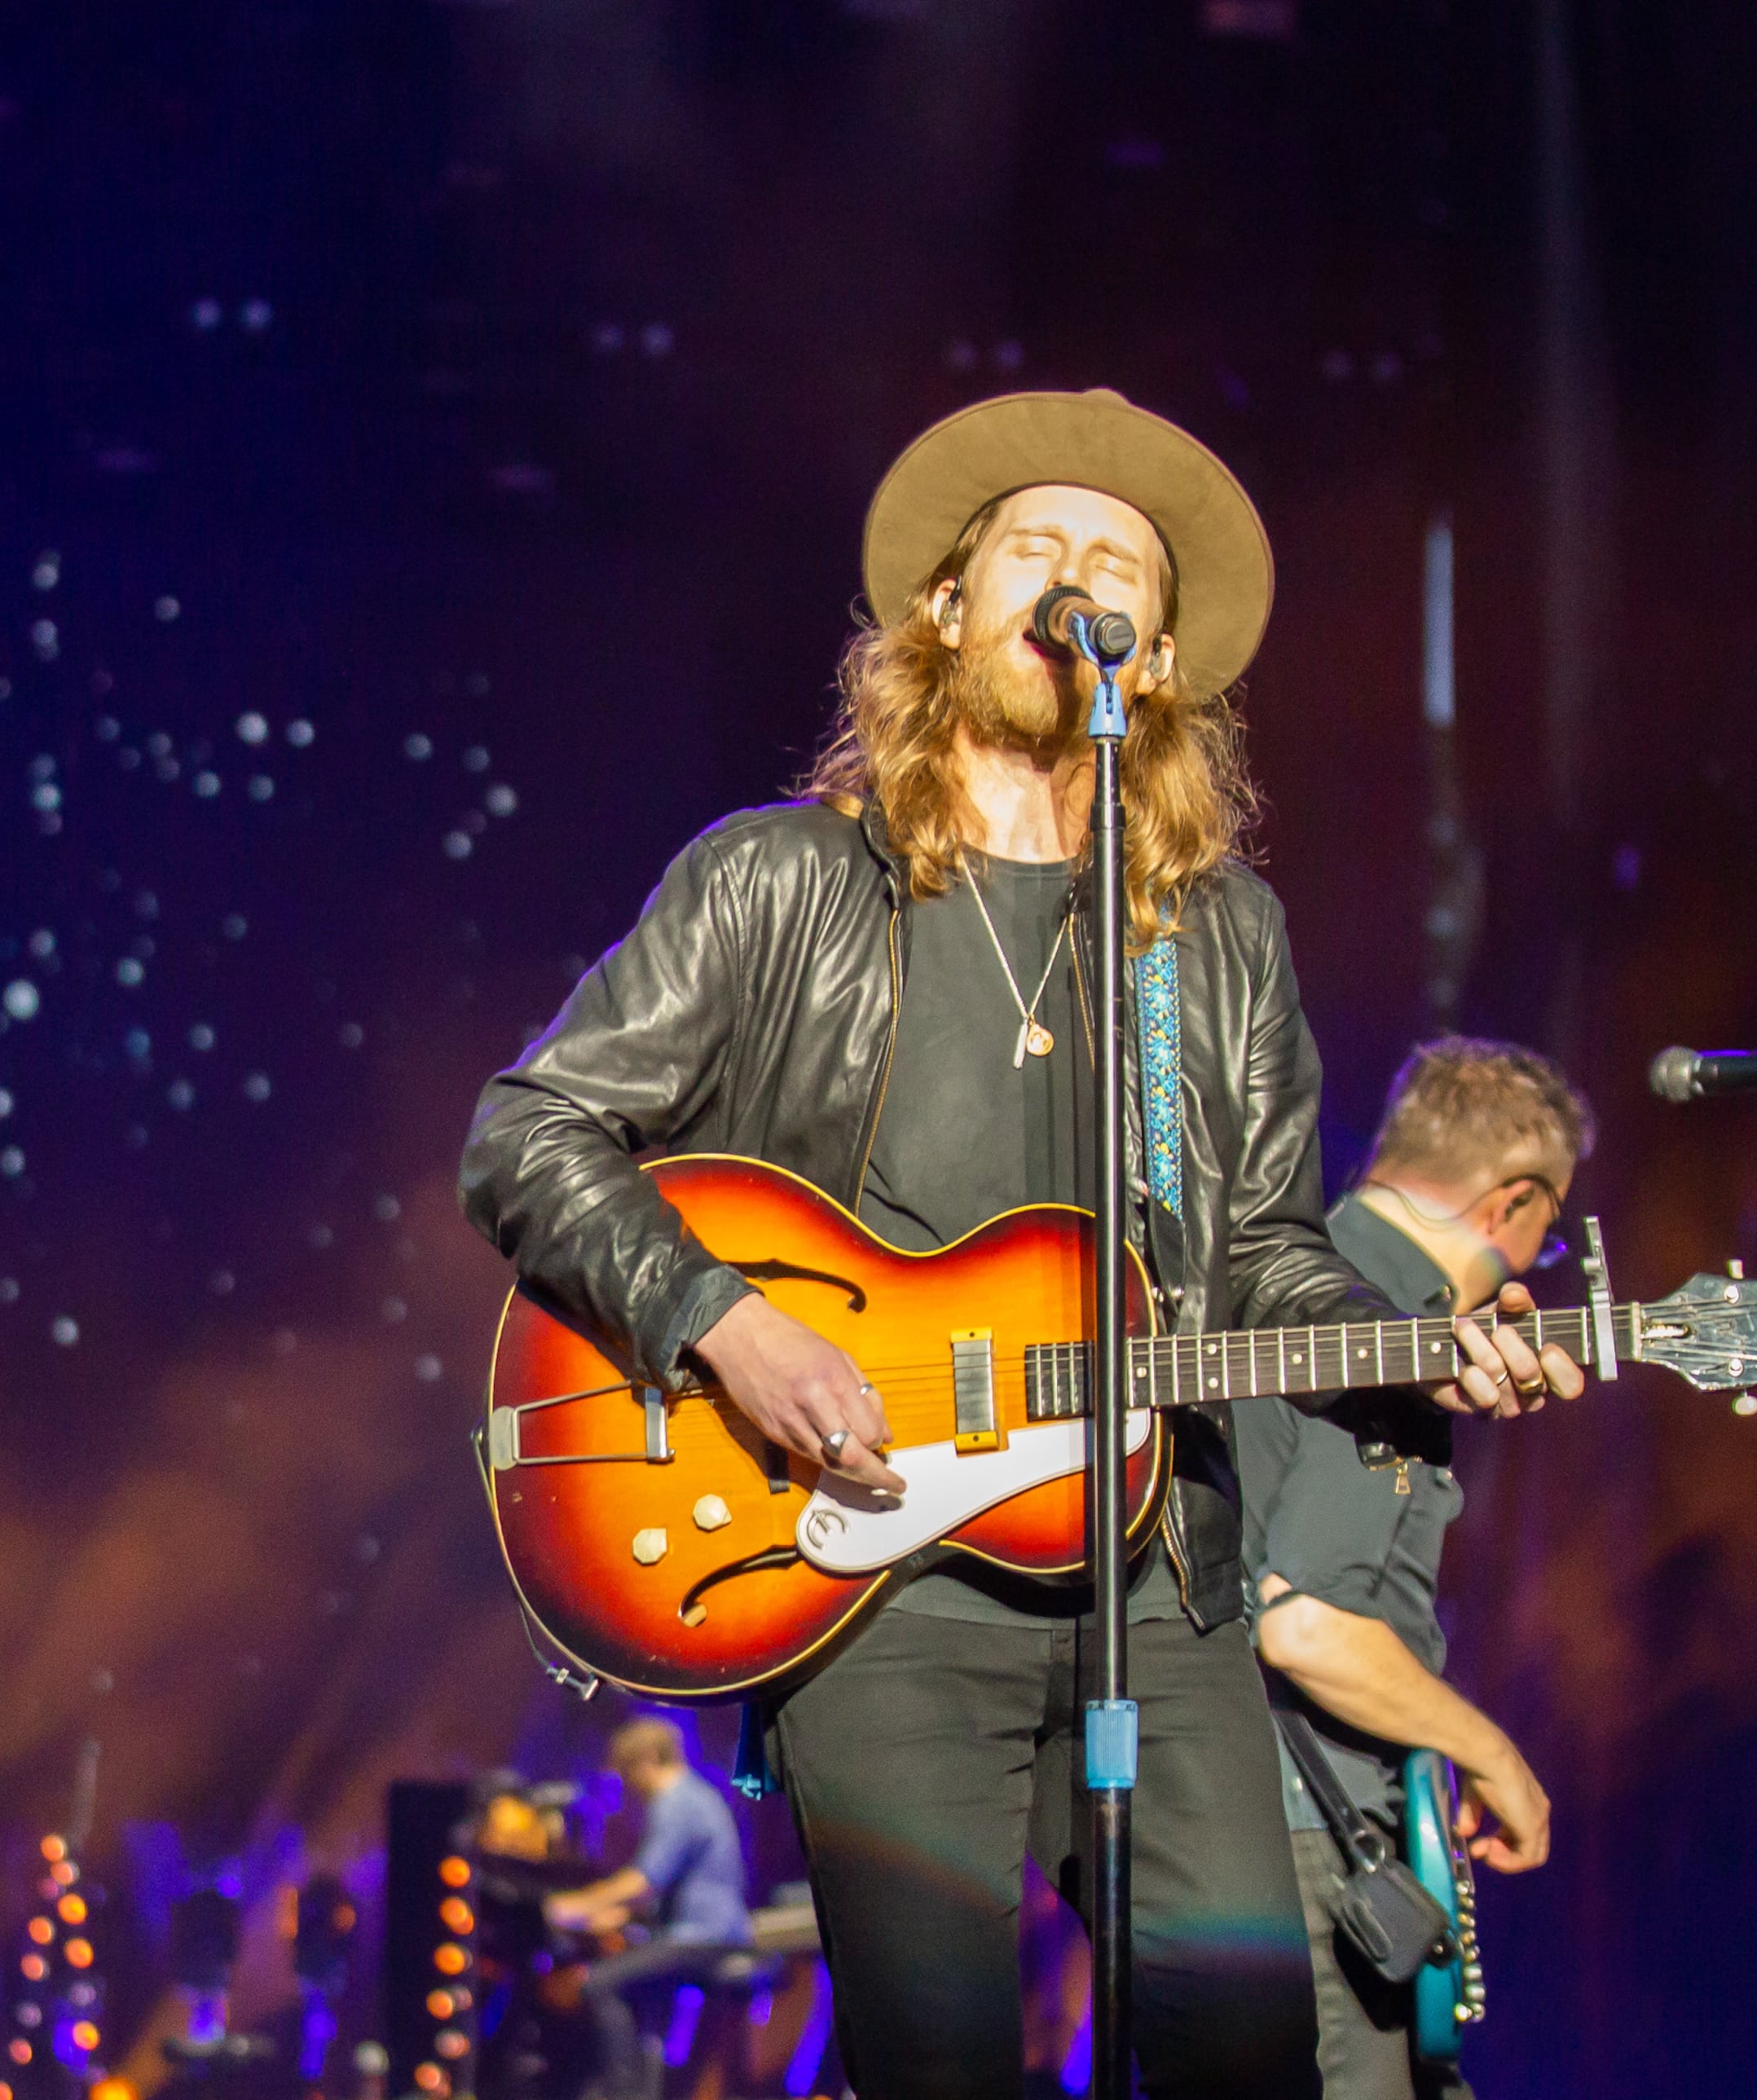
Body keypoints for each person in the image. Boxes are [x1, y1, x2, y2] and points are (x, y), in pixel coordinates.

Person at [457, 387, 1583, 2100]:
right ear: (946, 608)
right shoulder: (781, 883)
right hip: (871, 1590)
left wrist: (1420, 1338)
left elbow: (1267, 1250)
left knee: (1248, 2062)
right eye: (1036, 547)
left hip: (1157, 1576)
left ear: (1162, 653)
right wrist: (725, 1322)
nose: (1080, 578)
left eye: (1117, 562)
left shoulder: (1215, 939)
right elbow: (526, 1132)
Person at [1240, 1037, 1592, 2099]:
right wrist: (1493, 1753)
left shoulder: (1298, 1275)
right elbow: (1301, 1620)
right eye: (1549, 1228)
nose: (1536, 1262)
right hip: (1303, 1840)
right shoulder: (1385, 1324)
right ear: (1511, 1204)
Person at [543, 1719, 754, 2100]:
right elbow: (660, 1894)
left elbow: (644, 1881)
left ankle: (624, 2094)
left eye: (629, 1771)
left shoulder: (677, 1800)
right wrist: (614, 1918)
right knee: (637, 1989)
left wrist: (572, 1905)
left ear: (649, 1759)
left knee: (598, 1982)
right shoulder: (696, 1796)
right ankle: (636, 2088)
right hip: (702, 1936)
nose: (631, 1787)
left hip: (703, 1940)